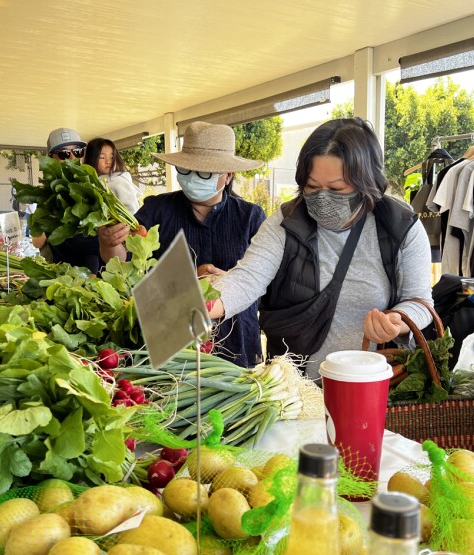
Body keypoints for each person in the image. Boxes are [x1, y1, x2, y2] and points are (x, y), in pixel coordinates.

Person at [207, 117, 434, 380]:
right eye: (312, 187)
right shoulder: (286, 222)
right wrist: (206, 302)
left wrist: (398, 320)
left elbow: (420, 301)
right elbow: (248, 278)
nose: (322, 198)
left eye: (337, 189)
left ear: (366, 182)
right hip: (297, 391)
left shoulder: (399, 226)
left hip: (372, 386)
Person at [107, 122, 267, 368]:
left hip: (236, 343)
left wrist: (232, 284)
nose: (192, 179)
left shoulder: (250, 217)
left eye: (204, 173)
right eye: (186, 170)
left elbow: (265, 283)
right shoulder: (156, 210)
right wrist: (110, 242)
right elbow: (121, 266)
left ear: (228, 176)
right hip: (169, 342)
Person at [36, 128, 129, 274]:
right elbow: (66, 241)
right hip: (71, 278)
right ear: (51, 158)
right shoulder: (49, 197)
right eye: (64, 154)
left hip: (105, 275)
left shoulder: (92, 183)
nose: (71, 158)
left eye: (77, 152)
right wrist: (110, 239)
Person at [83, 137, 142, 215]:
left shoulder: (118, 181)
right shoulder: (88, 182)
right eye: (102, 157)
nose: (108, 161)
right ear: (91, 158)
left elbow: (131, 208)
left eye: (112, 157)